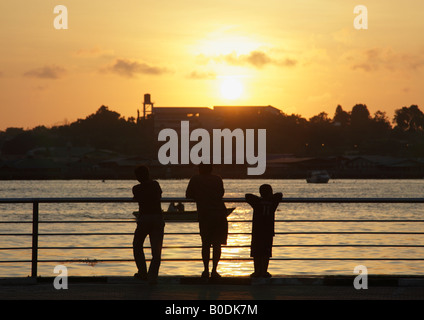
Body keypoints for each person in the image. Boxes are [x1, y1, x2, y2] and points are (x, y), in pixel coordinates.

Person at [186, 163, 228, 279]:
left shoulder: (195, 179)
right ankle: (214, 270)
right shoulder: (217, 179)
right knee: (217, 244)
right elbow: (221, 193)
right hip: (219, 214)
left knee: (205, 244)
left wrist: (200, 196)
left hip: (205, 215)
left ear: (200, 170)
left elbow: (188, 194)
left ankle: (205, 270)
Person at [132, 165, 164, 284]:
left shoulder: (136, 188)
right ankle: (152, 277)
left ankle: (142, 272)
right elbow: (159, 196)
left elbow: (137, 198)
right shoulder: (155, 184)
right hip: (157, 218)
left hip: (144, 219)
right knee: (156, 251)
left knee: (137, 245)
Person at [245, 184, 282, 278]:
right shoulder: (273, 202)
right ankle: (264, 271)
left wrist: (260, 199)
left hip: (257, 230)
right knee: (266, 252)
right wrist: (270, 198)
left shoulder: (257, 202)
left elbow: (247, 196)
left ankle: (257, 271)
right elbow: (279, 194)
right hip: (268, 231)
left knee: (256, 252)